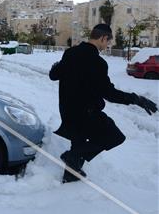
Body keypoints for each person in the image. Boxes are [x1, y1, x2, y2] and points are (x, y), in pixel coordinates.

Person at [49, 24, 157, 183]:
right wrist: (135, 99)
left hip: (67, 110)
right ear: (103, 38)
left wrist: (58, 65)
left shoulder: (70, 53)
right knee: (114, 137)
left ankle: (70, 177)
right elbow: (109, 93)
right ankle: (72, 156)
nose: (107, 46)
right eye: (108, 42)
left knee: (78, 143)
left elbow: (54, 75)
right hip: (86, 113)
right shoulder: (97, 62)